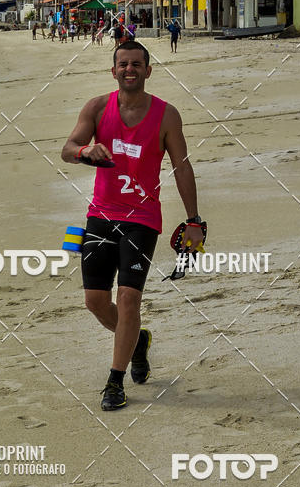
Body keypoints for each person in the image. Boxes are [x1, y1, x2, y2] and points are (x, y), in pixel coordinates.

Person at [61, 40, 202, 411]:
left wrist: (193, 221)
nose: (129, 70)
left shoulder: (166, 115)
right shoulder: (96, 107)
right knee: (95, 301)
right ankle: (138, 341)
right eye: (123, 64)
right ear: (114, 70)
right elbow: (67, 148)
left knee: (128, 298)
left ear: (148, 70)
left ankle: (115, 381)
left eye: (137, 64)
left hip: (142, 219)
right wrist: (84, 151)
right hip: (101, 216)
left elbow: (182, 166)